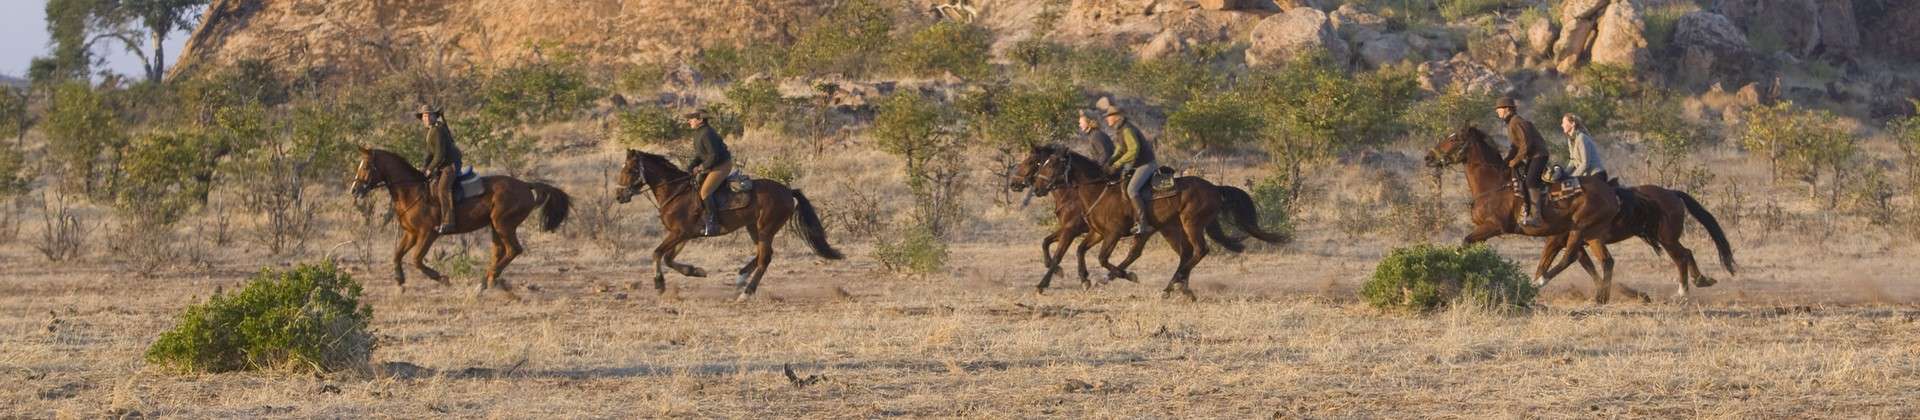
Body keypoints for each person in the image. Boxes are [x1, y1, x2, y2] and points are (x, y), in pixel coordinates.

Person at [1103, 106, 1158, 236]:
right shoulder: (1120, 129)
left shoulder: (1127, 129)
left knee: (1132, 190)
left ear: (1117, 117)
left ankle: (1143, 224)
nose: (1107, 119)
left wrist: (1117, 164)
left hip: (1146, 164)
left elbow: (1134, 150)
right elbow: (1120, 149)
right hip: (1136, 165)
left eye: (1109, 116)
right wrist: (1111, 160)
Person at [1496, 96, 1550, 228]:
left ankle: (1536, 216)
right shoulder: (1511, 123)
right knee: (1523, 180)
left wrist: (1515, 160)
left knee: (1530, 181)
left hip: (1539, 155)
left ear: (1507, 109)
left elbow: (1526, 144)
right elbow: (1515, 146)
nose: (1497, 111)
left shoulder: (1516, 122)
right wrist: (1506, 161)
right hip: (1532, 156)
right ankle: (1526, 210)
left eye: (1499, 109)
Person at [684, 110, 733, 236]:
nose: (689, 121)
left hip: (722, 165)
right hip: (713, 165)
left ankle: (713, 223)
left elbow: (714, 155)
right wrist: (690, 167)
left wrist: (700, 168)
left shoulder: (706, 133)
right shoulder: (698, 133)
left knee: (704, 192)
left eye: (692, 118)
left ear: (700, 120)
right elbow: (701, 155)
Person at [417, 105, 462, 234]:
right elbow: (429, 153)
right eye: (424, 116)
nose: (425, 118)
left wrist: (430, 169)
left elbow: (440, 154)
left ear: (433, 117)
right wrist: (424, 167)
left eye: (428, 115)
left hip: (450, 165)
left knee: (442, 189)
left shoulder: (437, 131)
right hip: (441, 164)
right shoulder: (429, 131)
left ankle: (448, 222)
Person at [1560, 113, 1607, 180]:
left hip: (1596, 175)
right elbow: (1572, 161)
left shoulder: (1582, 138)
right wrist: (1564, 175)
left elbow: (1585, 164)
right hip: (1586, 176)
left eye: (1564, 122)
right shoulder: (1570, 140)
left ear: (1573, 124)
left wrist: (1571, 177)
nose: (1562, 125)